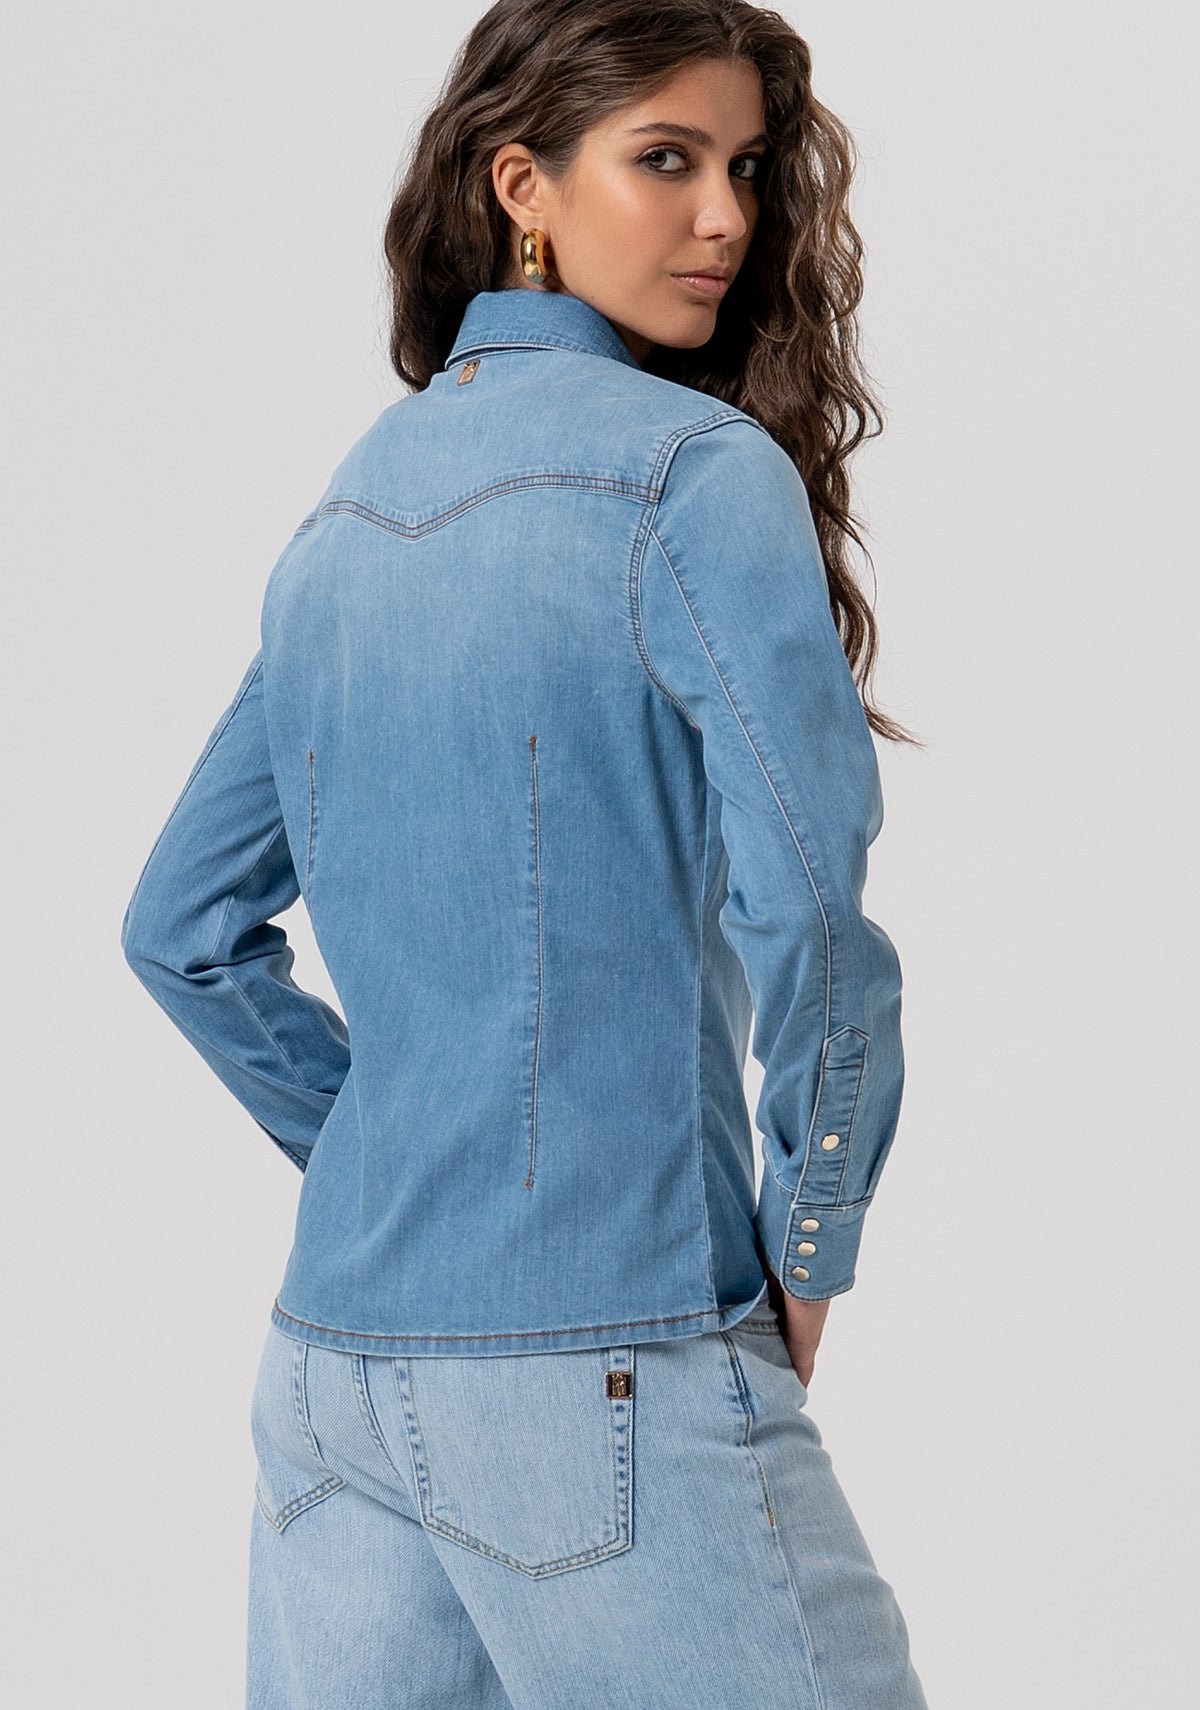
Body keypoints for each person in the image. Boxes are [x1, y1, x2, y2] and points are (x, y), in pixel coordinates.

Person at [120, 2, 930, 1704]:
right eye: (667, 159)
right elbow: (810, 909)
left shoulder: (342, 517)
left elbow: (181, 928)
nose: (726, 216)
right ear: (521, 186)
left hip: (332, 1383)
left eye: (747, 168)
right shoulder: (693, 477)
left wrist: (391, 1149)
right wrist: (813, 1237)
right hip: (611, 1359)